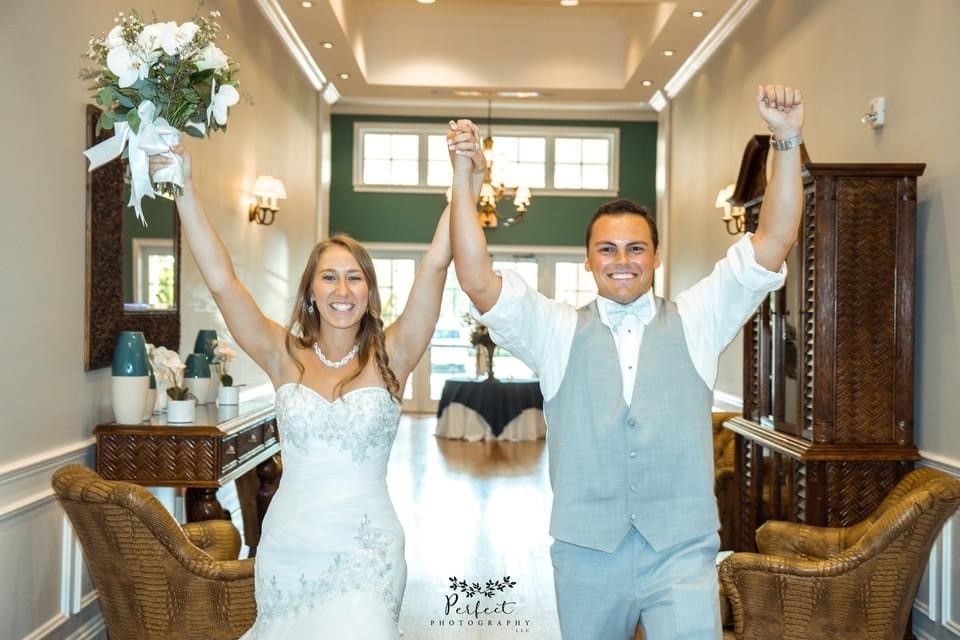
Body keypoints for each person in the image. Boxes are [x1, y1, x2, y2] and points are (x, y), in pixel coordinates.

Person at [447, 84, 805, 639]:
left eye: (635, 248)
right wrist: (464, 182)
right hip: (587, 552)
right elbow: (476, 279)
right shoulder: (557, 329)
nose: (622, 260)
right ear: (588, 261)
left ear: (656, 257)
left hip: (681, 552)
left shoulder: (698, 318)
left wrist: (786, 138)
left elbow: (774, 239)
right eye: (607, 249)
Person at [149, 142, 484, 639]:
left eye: (354, 279)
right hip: (289, 548)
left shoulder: (394, 355)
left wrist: (463, 179)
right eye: (329, 277)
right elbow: (223, 283)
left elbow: (436, 264)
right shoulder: (281, 353)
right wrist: (184, 189)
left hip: (367, 554)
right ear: (311, 290)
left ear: (370, 291)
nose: (342, 291)